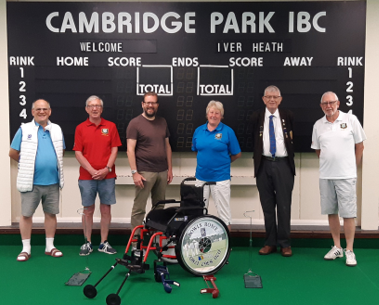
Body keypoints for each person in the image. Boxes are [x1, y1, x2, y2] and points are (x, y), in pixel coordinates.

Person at [311, 91, 366, 267]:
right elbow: (319, 150)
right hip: (326, 176)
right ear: (321, 106)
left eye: (331, 102)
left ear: (338, 103)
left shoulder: (351, 120)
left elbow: (360, 146)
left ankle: (350, 250)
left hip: (346, 176)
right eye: (325, 103)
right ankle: (337, 247)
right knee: (331, 212)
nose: (328, 106)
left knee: (349, 214)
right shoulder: (318, 125)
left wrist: (352, 166)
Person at [9, 99, 65, 261]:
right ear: (32, 112)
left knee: (51, 214)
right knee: (26, 215)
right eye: (38, 109)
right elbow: (12, 153)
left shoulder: (57, 129)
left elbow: (60, 151)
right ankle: (26, 249)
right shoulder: (24, 129)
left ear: (50, 111)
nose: (42, 112)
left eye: (45, 109)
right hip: (30, 183)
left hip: (52, 182)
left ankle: (50, 246)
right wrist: (26, 164)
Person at [73, 95, 122, 256]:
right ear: (87, 109)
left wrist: (107, 169)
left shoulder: (111, 126)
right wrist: (92, 171)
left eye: (98, 106)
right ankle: (87, 242)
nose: (94, 108)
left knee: (106, 208)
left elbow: (115, 149)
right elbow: (78, 153)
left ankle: (104, 243)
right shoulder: (80, 128)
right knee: (88, 209)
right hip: (87, 177)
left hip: (107, 176)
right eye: (91, 106)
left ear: (101, 109)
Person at [251, 85, 295, 257]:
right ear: (263, 99)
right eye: (268, 97)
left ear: (280, 99)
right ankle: (270, 242)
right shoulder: (256, 117)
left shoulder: (288, 116)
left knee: (284, 206)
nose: (272, 100)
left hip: (283, 164)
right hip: (263, 164)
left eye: (275, 97)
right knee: (267, 206)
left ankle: (285, 243)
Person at [126, 92, 173, 243]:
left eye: (153, 103)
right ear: (142, 104)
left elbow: (167, 146)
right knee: (139, 209)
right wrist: (135, 173)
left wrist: (170, 169)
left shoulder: (163, 122)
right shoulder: (135, 123)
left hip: (162, 172)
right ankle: (136, 243)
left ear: (157, 105)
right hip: (144, 172)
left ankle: (157, 240)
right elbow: (130, 149)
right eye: (147, 102)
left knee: (159, 208)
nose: (150, 105)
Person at [192, 100, 241, 231]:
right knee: (198, 212)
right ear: (207, 114)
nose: (213, 115)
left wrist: (224, 162)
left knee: (224, 213)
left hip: (221, 177)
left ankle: (227, 244)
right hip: (201, 177)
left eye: (217, 113)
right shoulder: (198, 131)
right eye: (211, 112)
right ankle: (200, 242)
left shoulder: (228, 131)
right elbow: (197, 150)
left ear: (221, 116)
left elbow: (237, 154)